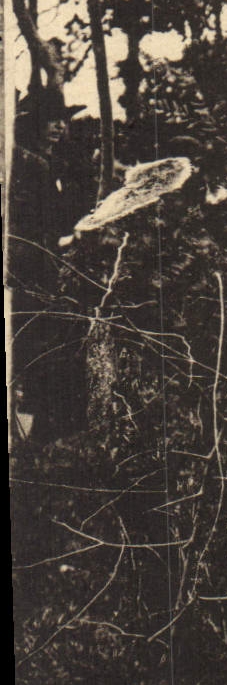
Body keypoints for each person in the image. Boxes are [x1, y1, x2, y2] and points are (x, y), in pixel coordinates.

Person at [6, 89, 89, 441]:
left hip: (43, 263)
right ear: (33, 124)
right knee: (34, 343)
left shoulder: (54, 162)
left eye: (62, 120)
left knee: (47, 343)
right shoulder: (25, 162)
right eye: (49, 120)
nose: (58, 127)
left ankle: (45, 428)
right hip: (27, 266)